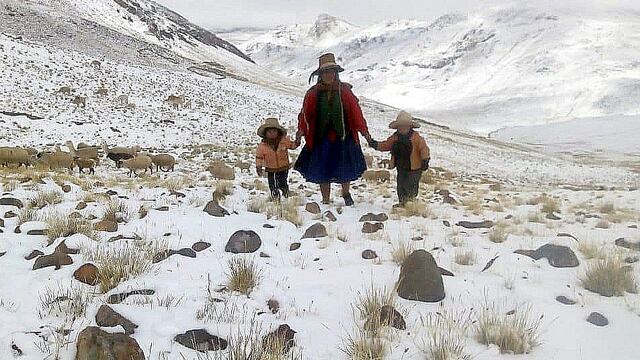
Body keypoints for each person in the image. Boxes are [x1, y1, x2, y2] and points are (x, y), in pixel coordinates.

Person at [294, 53, 374, 206]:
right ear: (320, 75)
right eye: (325, 72)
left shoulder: (345, 91)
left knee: (344, 167)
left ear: (336, 73)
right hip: (321, 138)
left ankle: (346, 193)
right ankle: (325, 199)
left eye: (331, 71)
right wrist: (301, 132)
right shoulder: (312, 94)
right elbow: (305, 115)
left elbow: (356, 112)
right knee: (323, 168)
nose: (329, 75)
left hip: (343, 136)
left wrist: (365, 133)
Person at [370, 110, 430, 206]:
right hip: (401, 168)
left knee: (411, 187)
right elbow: (386, 145)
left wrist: (425, 160)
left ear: (410, 126)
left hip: (414, 169)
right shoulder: (395, 137)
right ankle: (403, 204)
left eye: (405, 126)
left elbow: (424, 149)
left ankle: (410, 205)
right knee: (401, 186)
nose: (402, 128)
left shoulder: (416, 137)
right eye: (400, 126)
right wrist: (375, 144)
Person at [255, 117, 300, 200]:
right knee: (272, 185)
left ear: (278, 132)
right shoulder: (262, 146)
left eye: (274, 131)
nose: (272, 133)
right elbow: (259, 157)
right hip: (270, 169)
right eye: (269, 131)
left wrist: (298, 140)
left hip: (283, 168)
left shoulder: (284, 141)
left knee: (282, 183)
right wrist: (259, 167)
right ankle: (276, 199)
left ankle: (285, 195)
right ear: (265, 133)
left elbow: (292, 146)